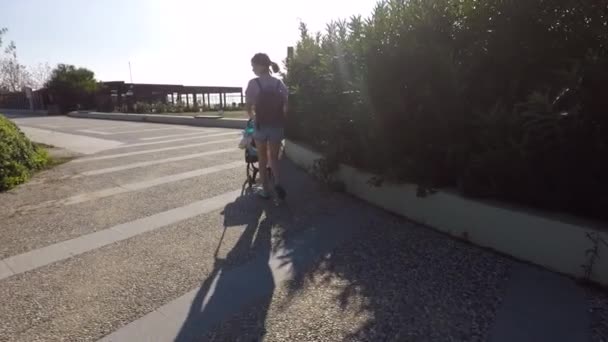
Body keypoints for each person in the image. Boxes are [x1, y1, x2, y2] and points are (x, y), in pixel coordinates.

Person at [245, 53, 289, 200]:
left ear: (261, 66)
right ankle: (277, 183)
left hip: (260, 126)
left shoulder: (253, 83)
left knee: (262, 158)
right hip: (276, 125)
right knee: (274, 158)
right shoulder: (278, 83)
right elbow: (286, 106)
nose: (252, 69)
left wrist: (255, 118)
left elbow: (248, 109)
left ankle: (265, 190)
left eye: (253, 66)